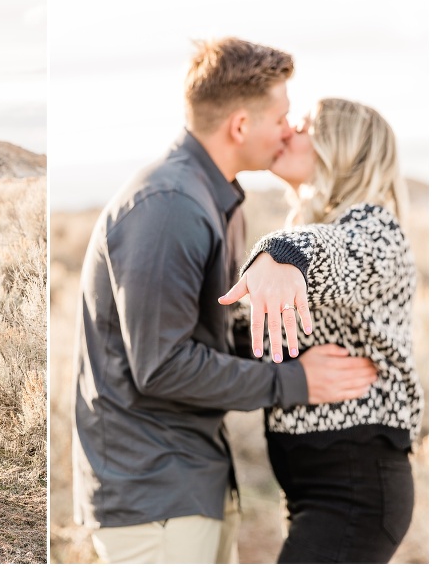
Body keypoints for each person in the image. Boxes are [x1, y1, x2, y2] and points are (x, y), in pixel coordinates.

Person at [71, 37, 379, 564]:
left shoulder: (215, 199)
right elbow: (163, 367)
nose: (289, 130)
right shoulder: (169, 206)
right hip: (154, 496)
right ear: (240, 126)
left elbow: (201, 338)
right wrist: (297, 382)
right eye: (281, 117)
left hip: (190, 480)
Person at [219, 98, 423, 563]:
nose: (287, 131)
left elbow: (336, 251)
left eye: (305, 126)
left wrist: (279, 253)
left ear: (342, 150)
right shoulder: (323, 225)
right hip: (321, 492)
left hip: (355, 494)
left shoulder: (376, 229)